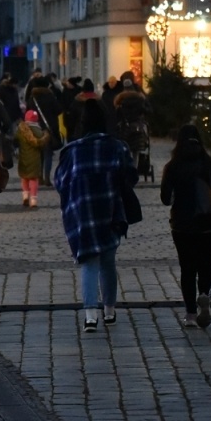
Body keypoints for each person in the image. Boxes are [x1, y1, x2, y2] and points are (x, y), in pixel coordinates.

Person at [54, 102, 138, 333]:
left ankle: (90, 316)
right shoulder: (116, 147)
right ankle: (109, 310)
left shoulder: (72, 151)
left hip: (84, 214)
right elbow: (131, 176)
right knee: (108, 263)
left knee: (89, 263)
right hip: (110, 212)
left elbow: (59, 182)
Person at [160, 124, 211, 328]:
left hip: (182, 226)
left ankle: (190, 314)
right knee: (207, 265)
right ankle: (204, 294)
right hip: (208, 225)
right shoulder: (209, 164)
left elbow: (165, 198)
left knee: (187, 269)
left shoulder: (173, 166)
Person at [14, 109, 50, 208]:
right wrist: (46, 136)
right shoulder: (38, 131)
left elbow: (15, 138)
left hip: (23, 158)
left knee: (24, 177)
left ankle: (25, 196)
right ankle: (33, 199)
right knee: (34, 179)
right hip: (35, 159)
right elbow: (41, 143)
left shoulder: (21, 130)